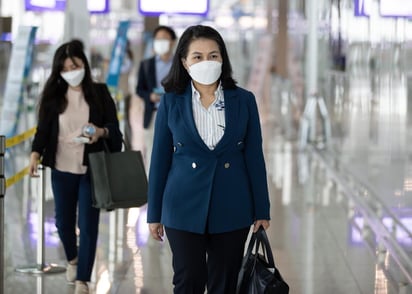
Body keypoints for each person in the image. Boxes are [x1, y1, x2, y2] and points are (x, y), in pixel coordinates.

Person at [147, 25, 271, 294]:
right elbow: (159, 161)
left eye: (213, 56)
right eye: (198, 56)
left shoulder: (244, 100)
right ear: (184, 61)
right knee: (187, 280)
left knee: (224, 282)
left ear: (223, 59)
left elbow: (254, 157)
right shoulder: (171, 102)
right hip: (181, 206)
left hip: (232, 205)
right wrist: (154, 213)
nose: (207, 62)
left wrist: (262, 208)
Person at [29, 40, 123, 294]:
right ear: (59, 70)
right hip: (61, 167)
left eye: (75, 65)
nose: (71, 70)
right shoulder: (53, 98)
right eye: (66, 67)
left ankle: (83, 279)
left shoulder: (100, 94)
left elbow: (115, 131)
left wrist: (100, 132)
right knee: (62, 223)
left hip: (91, 168)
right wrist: (35, 153)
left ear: (84, 64)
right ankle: (72, 258)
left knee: (89, 225)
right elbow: (43, 130)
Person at [136, 25, 177, 169]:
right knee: (153, 151)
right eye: (158, 39)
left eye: (164, 38)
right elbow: (139, 89)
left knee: (176, 151)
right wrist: (150, 96)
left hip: (175, 114)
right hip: (153, 114)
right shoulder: (146, 64)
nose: (160, 42)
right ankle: (152, 186)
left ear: (172, 41)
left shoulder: (180, 65)